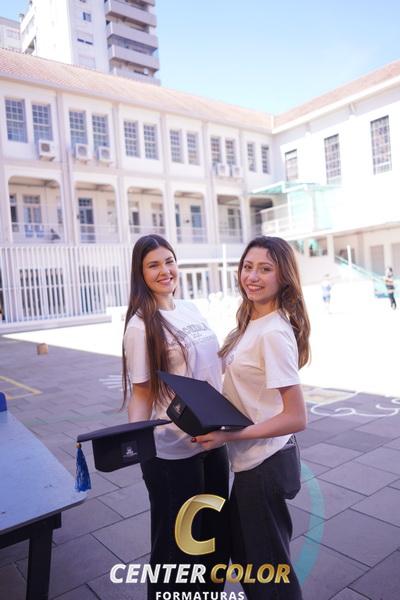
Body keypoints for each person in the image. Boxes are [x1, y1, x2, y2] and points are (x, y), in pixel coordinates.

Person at [194, 235, 310, 600]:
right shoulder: (251, 322)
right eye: (247, 267)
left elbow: (296, 417)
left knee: (268, 574)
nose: (252, 276)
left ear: (283, 276)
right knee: (249, 561)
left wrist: (229, 436)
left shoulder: (273, 332)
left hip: (265, 464)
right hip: (252, 463)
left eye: (265, 269)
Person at [122, 234, 229, 599]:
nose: (165, 270)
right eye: (153, 265)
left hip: (213, 439)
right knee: (176, 548)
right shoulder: (140, 326)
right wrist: (141, 449)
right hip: (173, 451)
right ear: (140, 273)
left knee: (212, 536)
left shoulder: (189, 308)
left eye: (169, 261)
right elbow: (141, 393)